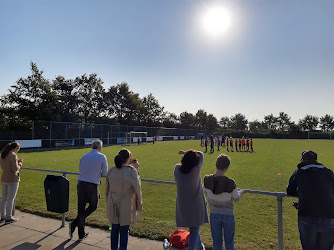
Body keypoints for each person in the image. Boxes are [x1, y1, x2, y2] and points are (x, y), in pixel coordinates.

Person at [287, 150, 334, 250]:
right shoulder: (328, 171)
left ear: (303, 160)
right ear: (316, 160)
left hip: (307, 215)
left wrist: (304, 195)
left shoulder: (299, 171)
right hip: (329, 216)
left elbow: (290, 191)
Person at [69, 140, 108, 240]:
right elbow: (104, 173)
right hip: (92, 185)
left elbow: (81, 170)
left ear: (91, 147)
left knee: (81, 208)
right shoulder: (102, 156)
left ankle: (80, 232)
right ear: (100, 148)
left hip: (81, 184)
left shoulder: (84, 156)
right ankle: (75, 223)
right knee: (93, 206)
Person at [204, 154, 244, 250]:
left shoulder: (207, 180)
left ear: (216, 164)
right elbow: (236, 198)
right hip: (228, 215)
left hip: (214, 214)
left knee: (217, 243)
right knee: (229, 243)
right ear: (227, 168)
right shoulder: (230, 183)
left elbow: (205, 191)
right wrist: (241, 192)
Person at [106, 148, 143, 250]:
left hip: (113, 202)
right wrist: (139, 206)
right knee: (124, 230)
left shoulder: (111, 170)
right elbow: (137, 189)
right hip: (126, 204)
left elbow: (107, 190)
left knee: (114, 228)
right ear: (127, 159)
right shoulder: (131, 172)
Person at [174, 150, 208, 250]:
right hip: (195, 205)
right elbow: (201, 154)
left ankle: (200, 247)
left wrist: (186, 153)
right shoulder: (196, 169)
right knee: (194, 230)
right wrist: (186, 151)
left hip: (183, 205)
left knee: (194, 229)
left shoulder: (177, 169)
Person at [0, 142, 23, 223]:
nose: (17, 151)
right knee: (10, 199)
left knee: (4, 198)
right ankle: (8, 217)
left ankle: (2, 216)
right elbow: (15, 169)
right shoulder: (13, 155)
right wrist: (20, 163)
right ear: (15, 148)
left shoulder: (3, 154)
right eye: (18, 150)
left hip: (4, 178)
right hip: (12, 179)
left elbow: (3, 166)